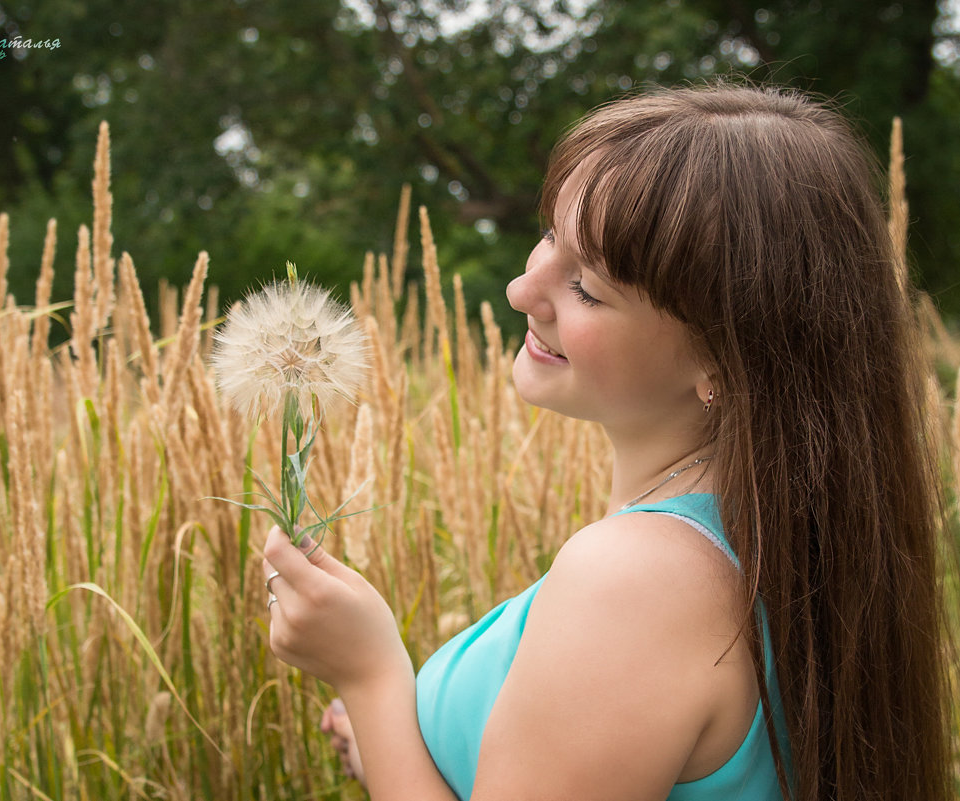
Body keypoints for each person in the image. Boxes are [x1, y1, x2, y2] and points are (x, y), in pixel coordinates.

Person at [261, 83, 955, 801]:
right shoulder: (782, 540)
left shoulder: (638, 580)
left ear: (723, 359)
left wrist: (370, 677)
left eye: (586, 286)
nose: (521, 290)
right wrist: (393, 747)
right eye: (548, 236)